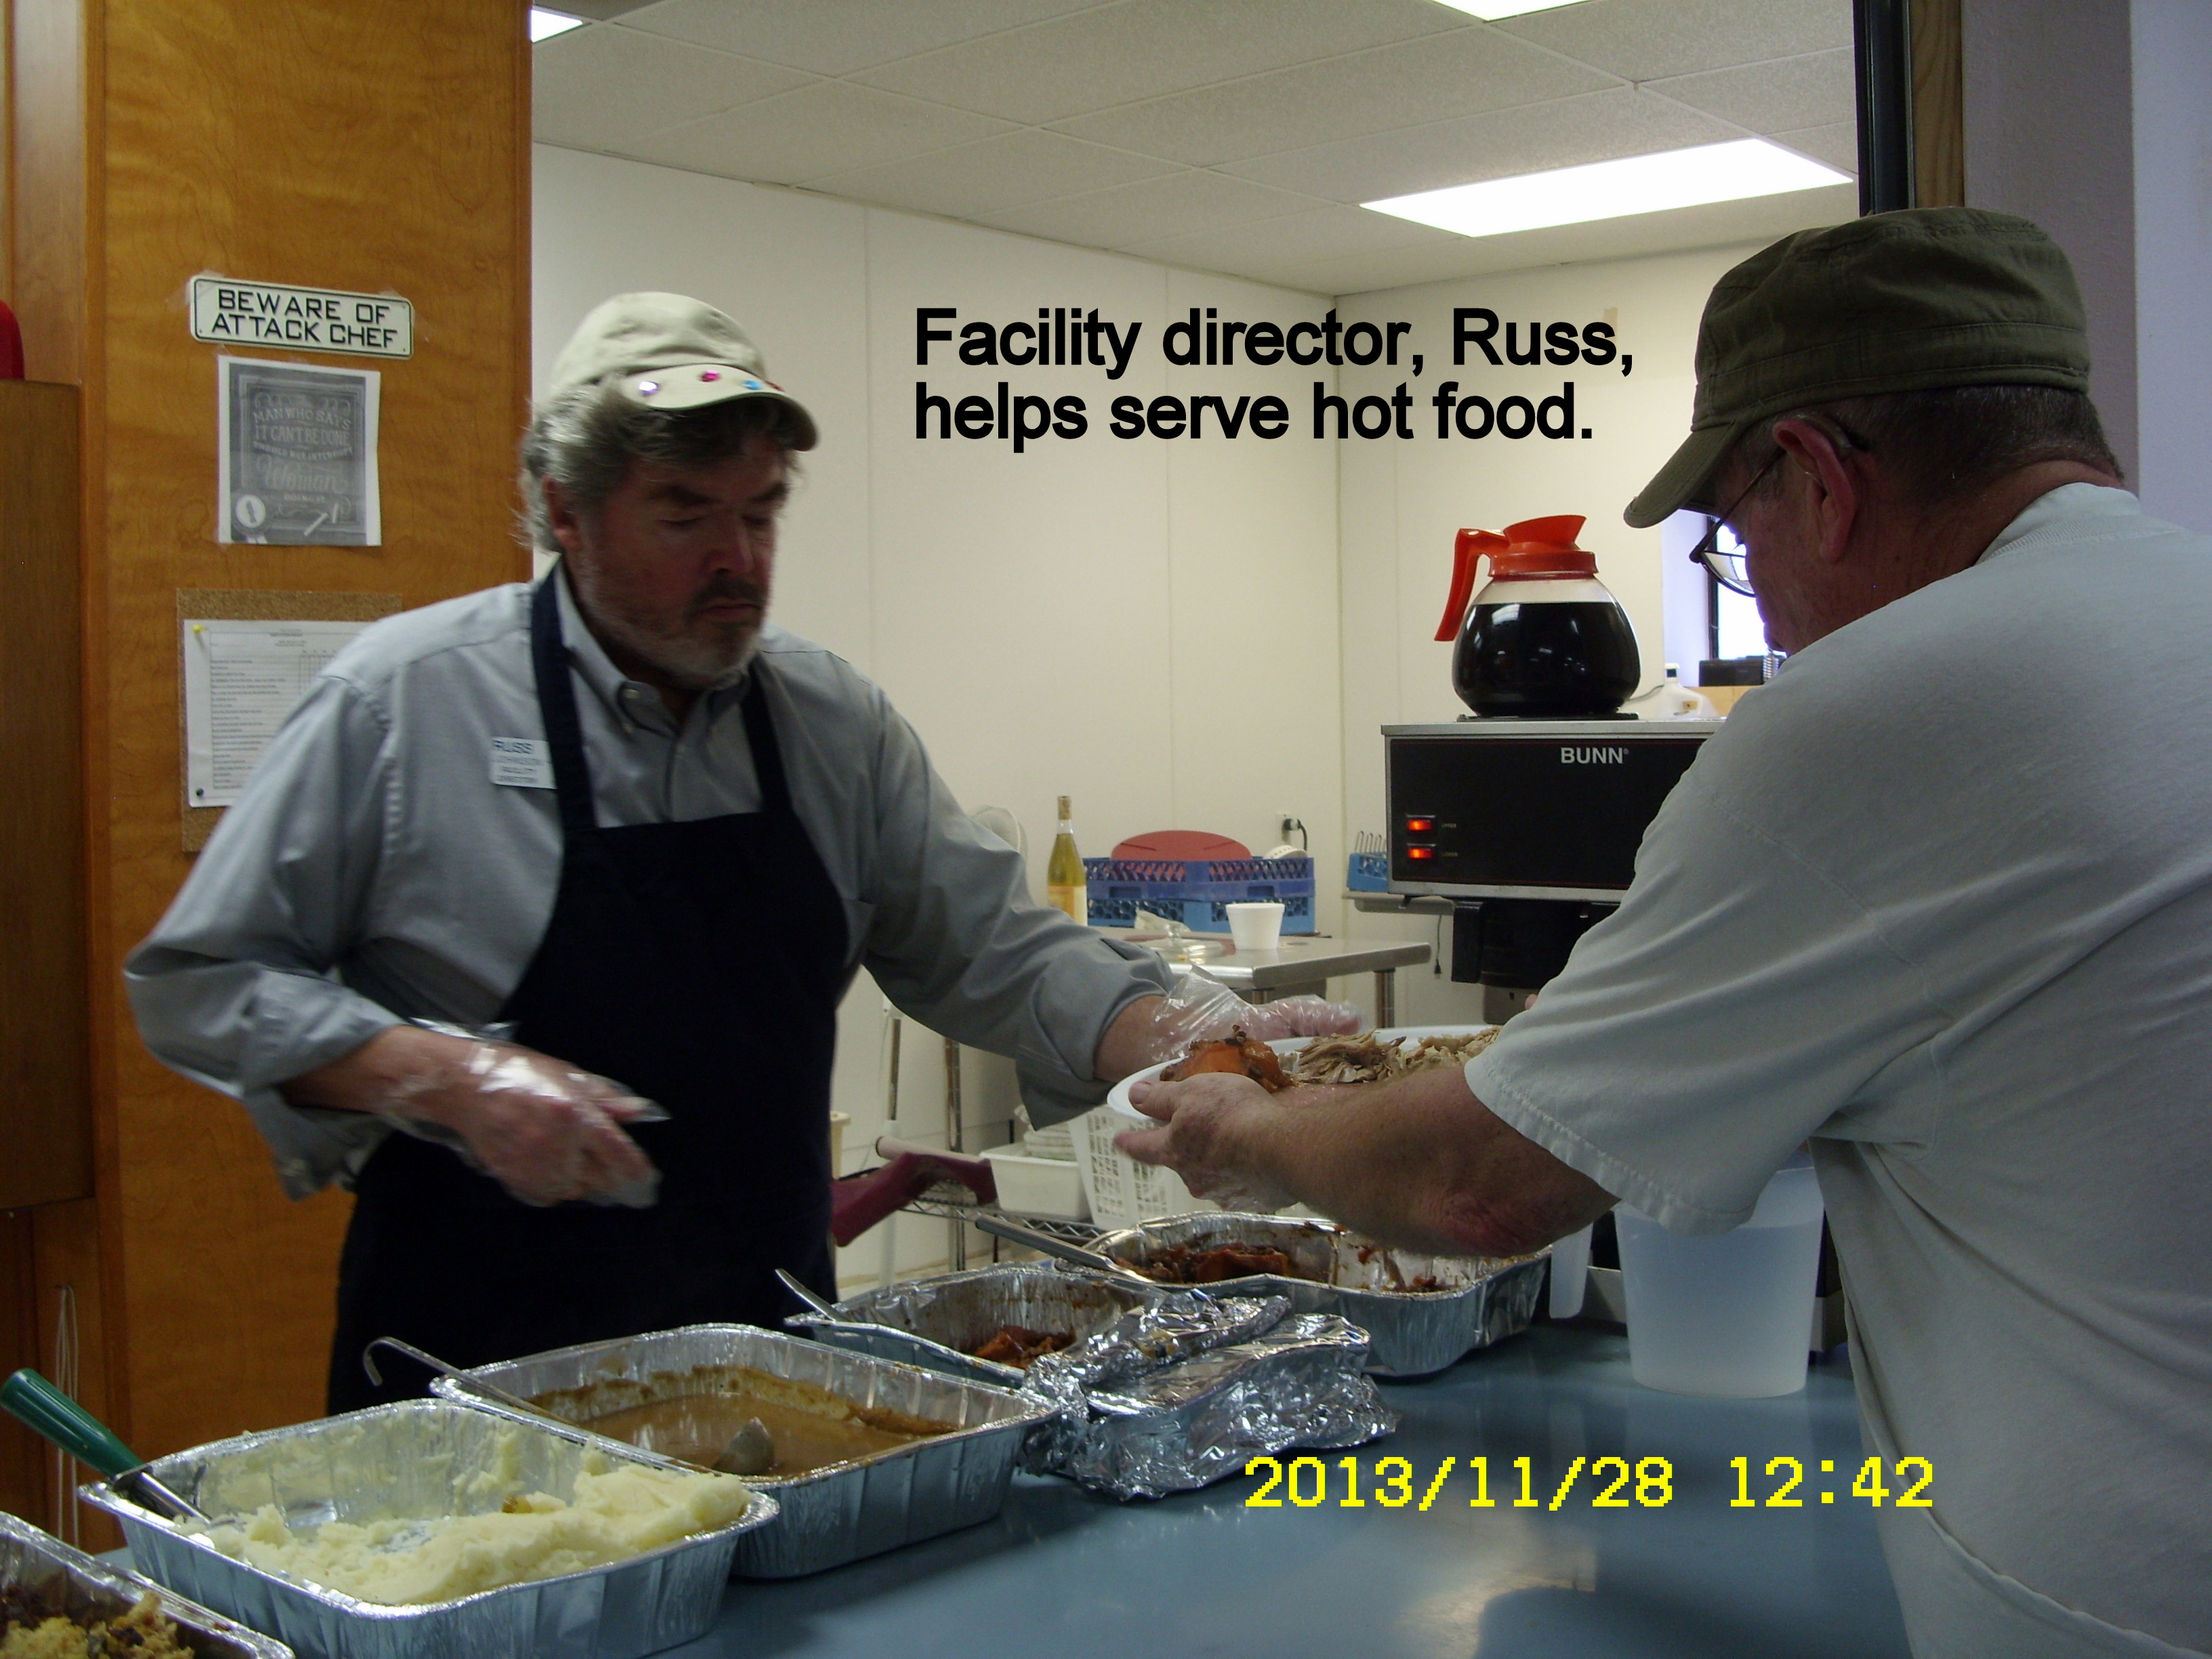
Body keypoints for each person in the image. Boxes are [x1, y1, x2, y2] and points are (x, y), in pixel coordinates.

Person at [1120, 210, 2210, 1659]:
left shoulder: (1872, 714)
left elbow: (1478, 1189)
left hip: (2115, 1603)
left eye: (1737, 535)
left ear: (1819, 475)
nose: (1762, 596)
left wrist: (1248, 1133)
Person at [128, 291, 1349, 1412]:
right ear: (564, 510)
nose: (740, 561)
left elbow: (1001, 952)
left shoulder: (829, 723)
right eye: (686, 516)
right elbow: (206, 981)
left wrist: (1195, 1038)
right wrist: (443, 1077)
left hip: (766, 1363)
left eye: (760, 514)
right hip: (472, 1378)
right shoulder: (403, 706)